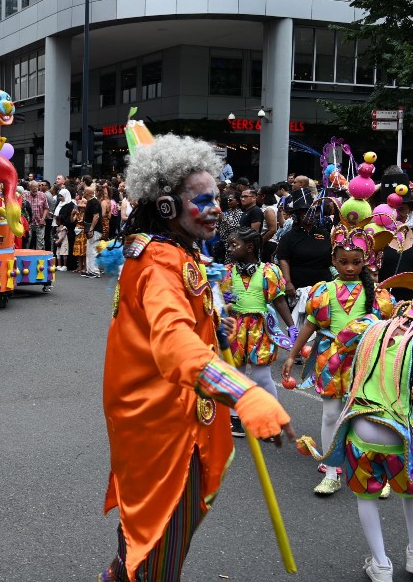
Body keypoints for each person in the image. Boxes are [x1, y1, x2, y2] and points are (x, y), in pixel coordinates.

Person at [100, 134, 293, 582]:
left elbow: (175, 327)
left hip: (169, 411)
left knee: (152, 536)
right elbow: (171, 343)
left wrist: (210, 327)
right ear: (166, 206)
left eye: (218, 198)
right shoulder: (158, 262)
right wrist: (243, 394)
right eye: (203, 200)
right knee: (161, 540)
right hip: (163, 424)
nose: (217, 210)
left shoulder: (172, 251)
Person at [296, 265, 413, 582]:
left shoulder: (367, 326)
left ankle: (380, 565)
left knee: (366, 498)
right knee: (411, 494)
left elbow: (339, 344)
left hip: (359, 427)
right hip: (399, 437)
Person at [282, 164, 397, 496]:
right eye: (343, 262)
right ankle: (332, 469)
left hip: (365, 358)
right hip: (330, 356)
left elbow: (387, 333)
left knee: (368, 413)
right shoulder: (322, 290)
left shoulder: (377, 295)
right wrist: (292, 356)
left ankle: (374, 468)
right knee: (332, 412)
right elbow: (310, 325)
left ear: (366, 262)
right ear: (334, 258)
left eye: (355, 263)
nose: (349, 268)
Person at [221, 226, 296, 437]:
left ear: (250, 247)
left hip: (259, 328)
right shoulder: (227, 272)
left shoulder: (268, 271)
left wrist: (291, 327)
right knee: (235, 374)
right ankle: (235, 418)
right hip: (234, 327)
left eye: (234, 245)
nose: (230, 249)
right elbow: (219, 301)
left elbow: (279, 300)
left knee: (262, 376)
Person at [274, 190, 331, 334]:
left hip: (322, 283)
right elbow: (283, 259)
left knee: (322, 318)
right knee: (297, 319)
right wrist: (288, 282)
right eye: (306, 212)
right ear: (299, 214)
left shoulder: (323, 233)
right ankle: (296, 349)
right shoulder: (290, 236)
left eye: (314, 211)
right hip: (297, 284)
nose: (311, 215)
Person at [82, 186, 102, 278]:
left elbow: (96, 216)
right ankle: (90, 270)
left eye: (84, 191)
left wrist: (91, 229)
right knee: (90, 250)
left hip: (95, 230)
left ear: (87, 193)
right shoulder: (90, 202)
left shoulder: (94, 202)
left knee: (93, 250)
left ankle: (94, 271)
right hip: (92, 229)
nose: (83, 193)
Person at [53, 188, 73, 272]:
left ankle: (66, 264)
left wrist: (62, 224)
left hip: (65, 229)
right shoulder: (59, 203)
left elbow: (68, 218)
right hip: (57, 227)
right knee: (58, 249)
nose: (59, 198)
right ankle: (59, 264)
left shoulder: (70, 205)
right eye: (59, 196)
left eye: (61, 196)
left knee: (64, 249)